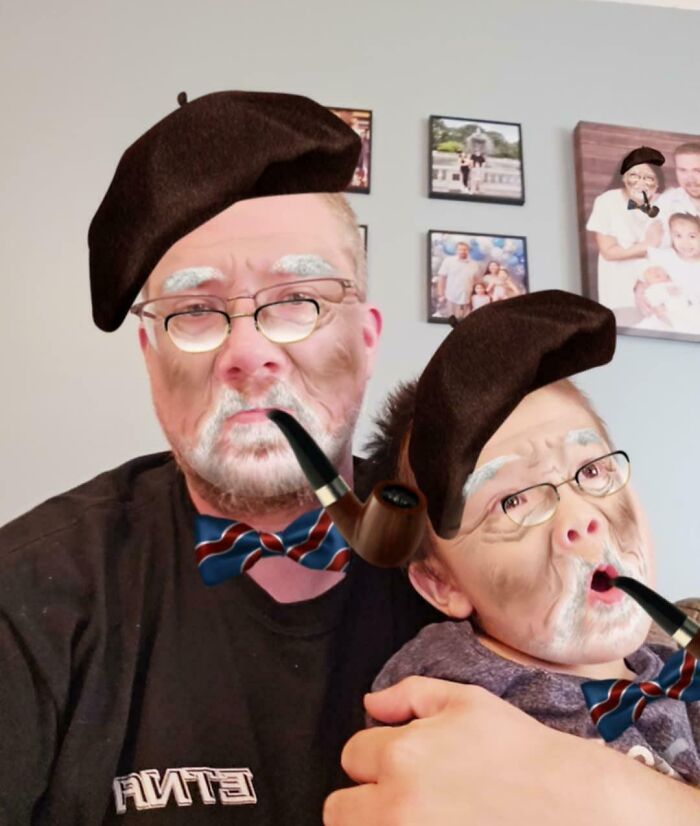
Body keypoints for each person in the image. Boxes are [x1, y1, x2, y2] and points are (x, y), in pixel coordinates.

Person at [4, 94, 700, 826]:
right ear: (150, 356)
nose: (248, 351)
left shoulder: (463, 533)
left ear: (366, 340)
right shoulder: (31, 595)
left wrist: (610, 800)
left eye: (297, 298)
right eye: (194, 312)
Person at [586, 149, 664, 317]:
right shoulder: (607, 201)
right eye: (634, 175)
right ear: (623, 177)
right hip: (619, 288)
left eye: (648, 177)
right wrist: (647, 246)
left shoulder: (666, 203)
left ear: (658, 182)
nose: (640, 182)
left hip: (657, 288)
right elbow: (609, 251)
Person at [635, 212, 700, 333]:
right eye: (678, 236)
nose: (685, 243)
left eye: (692, 236)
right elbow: (644, 276)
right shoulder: (664, 258)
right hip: (664, 315)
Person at [655, 143, 700, 234]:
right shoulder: (667, 201)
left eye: (698, 171)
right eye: (683, 170)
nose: (690, 179)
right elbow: (655, 241)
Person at [435, 241, 480, 320]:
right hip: (451, 297)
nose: (462, 251)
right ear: (456, 250)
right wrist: (441, 294)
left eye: (465, 249)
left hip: (467, 298)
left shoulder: (474, 264)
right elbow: (442, 278)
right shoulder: (448, 261)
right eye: (460, 249)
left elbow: (476, 281)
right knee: (452, 321)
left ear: (468, 251)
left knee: (465, 322)